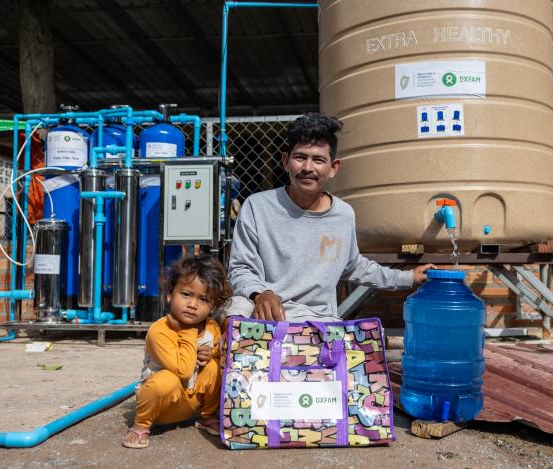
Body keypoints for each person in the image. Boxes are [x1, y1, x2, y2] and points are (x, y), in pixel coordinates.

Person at [221, 112, 434, 330]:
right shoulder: (257, 206)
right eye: (300, 157)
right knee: (233, 309)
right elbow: (240, 269)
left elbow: (354, 265)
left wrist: (407, 278)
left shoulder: (343, 214)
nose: (307, 168)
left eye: (319, 160)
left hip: (317, 319)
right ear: (285, 161)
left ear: (334, 167)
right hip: (266, 315)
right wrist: (261, 294)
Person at [122, 255, 231, 449]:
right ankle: (141, 424)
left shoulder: (212, 327)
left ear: (213, 306)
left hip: (190, 404)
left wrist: (211, 355)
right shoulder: (160, 331)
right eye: (186, 294)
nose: (193, 304)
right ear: (170, 294)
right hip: (160, 408)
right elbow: (183, 370)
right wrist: (188, 333)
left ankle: (207, 416)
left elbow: (216, 354)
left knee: (216, 367)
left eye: (203, 299)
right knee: (167, 380)